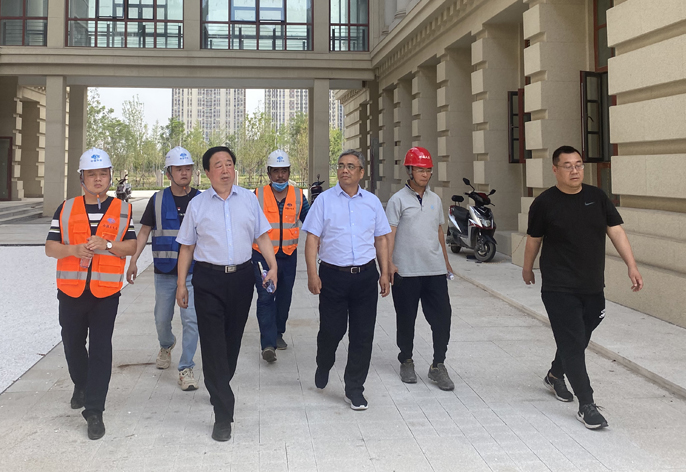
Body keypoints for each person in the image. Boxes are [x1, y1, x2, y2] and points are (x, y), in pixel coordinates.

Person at [522, 145, 643, 430]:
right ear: (555, 170)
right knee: (574, 341)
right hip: (558, 286)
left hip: (592, 286)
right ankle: (586, 404)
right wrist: (527, 268)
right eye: (568, 166)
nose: (575, 170)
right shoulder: (544, 203)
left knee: (579, 336)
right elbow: (533, 239)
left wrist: (632, 265)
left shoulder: (597, 197)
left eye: (578, 164)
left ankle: (555, 373)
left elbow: (616, 230)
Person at [175, 146, 278, 442]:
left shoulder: (248, 199)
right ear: (207, 173)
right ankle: (223, 414)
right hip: (208, 279)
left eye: (229, 163)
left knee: (231, 343)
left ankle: (219, 384)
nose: (225, 169)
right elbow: (187, 248)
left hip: (242, 278)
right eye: (218, 165)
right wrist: (181, 284)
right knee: (212, 344)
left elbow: (262, 236)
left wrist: (272, 266)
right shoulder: (197, 205)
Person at [45, 148, 137, 440]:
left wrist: (108, 245)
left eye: (103, 174)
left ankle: (95, 410)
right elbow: (50, 247)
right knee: (72, 343)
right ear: (81, 178)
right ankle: (81, 383)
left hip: (105, 292)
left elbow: (131, 246)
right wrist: (73, 249)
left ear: (110, 176)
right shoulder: (66, 208)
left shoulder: (122, 210)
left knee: (100, 348)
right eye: (91, 174)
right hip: (71, 290)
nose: (98, 179)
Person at [302, 149, 391, 411]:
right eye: (341, 165)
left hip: (365, 276)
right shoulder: (324, 201)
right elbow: (312, 240)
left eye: (351, 166)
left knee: (363, 335)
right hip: (333, 277)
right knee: (332, 330)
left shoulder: (372, 202)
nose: (344, 170)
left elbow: (381, 239)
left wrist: (385, 272)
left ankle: (354, 388)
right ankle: (324, 362)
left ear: (361, 172)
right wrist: (312, 273)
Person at [126, 146, 201, 390]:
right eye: (179, 169)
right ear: (169, 173)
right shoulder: (157, 200)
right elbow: (144, 232)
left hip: (194, 273)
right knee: (161, 319)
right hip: (165, 273)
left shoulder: (201, 200)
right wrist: (134, 260)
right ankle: (166, 344)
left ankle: (186, 367)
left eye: (187, 168)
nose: (184, 173)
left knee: (191, 321)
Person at [386, 147, 455, 391]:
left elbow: (439, 232)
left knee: (443, 318)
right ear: (409, 171)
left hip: (434, 271)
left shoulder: (435, 200)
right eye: (420, 170)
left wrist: (446, 262)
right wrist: (388, 264)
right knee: (406, 319)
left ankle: (438, 364)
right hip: (406, 271)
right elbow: (389, 234)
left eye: (428, 170)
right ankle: (406, 360)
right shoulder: (397, 200)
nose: (425, 174)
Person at [252, 149, 310, 363]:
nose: (280, 176)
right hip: (262, 257)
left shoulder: (299, 196)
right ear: (269, 173)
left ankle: (278, 332)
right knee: (266, 296)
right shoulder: (256, 196)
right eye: (276, 171)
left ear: (289, 172)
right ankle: (268, 344)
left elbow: (311, 222)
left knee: (284, 297)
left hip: (288, 255)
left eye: (284, 171)